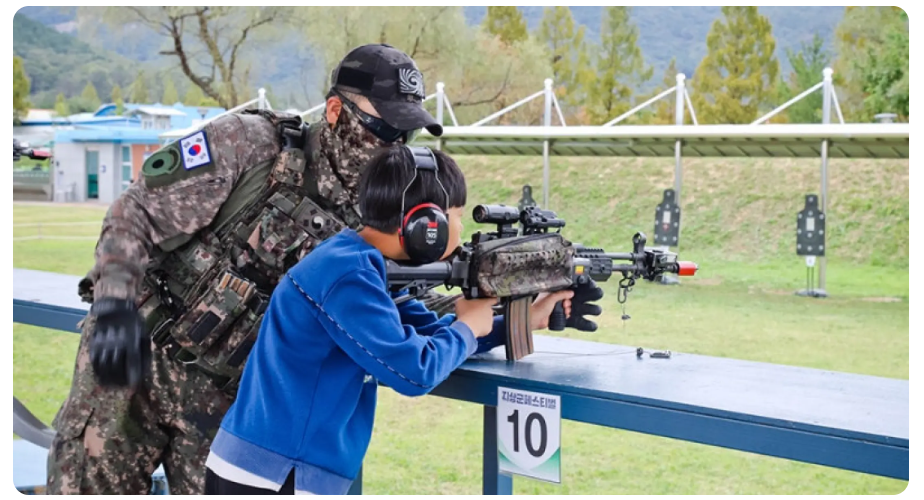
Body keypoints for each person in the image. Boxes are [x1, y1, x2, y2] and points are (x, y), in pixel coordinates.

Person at [46, 44, 451, 495]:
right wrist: (115, 303)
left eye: (405, 135)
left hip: (226, 405)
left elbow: (400, 304)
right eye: (382, 129)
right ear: (335, 111)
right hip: (136, 359)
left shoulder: (377, 214)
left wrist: (491, 305)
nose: (392, 148)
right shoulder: (250, 143)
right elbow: (136, 211)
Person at [203, 145, 575, 495]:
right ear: (426, 222)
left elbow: (426, 331)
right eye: (457, 217)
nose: (461, 233)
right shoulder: (348, 274)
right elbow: (413, 370)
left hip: (275, 467)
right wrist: (466, 328)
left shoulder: (357, 261)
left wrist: (521, 322)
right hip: (275, 474)